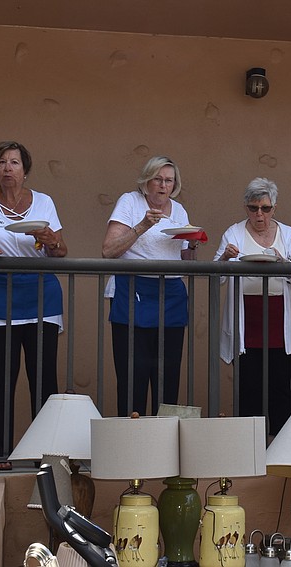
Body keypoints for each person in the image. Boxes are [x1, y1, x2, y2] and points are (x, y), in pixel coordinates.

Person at [0, 141, 68, 470]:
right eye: (2, 163)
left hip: (40, 296)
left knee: (43, 378)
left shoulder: (44, 202)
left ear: (25, 169)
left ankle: (46, 452)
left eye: (15, 162)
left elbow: (60, 251)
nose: (8, 168)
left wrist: (52, 242)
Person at [102, 156, 200, 417]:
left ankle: (164, 446)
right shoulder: (130, 202)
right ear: (146, 180)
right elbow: (109, 250)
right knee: (133, 373)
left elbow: (184, 260)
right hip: (132, 290)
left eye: (169, 180)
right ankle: (132, 446)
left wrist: (192, 244)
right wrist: (144, 225)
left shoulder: (179, 211)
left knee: (168, 374)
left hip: (171, 294)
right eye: (158, 179)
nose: (163, 185)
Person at [214, 178, 291, 435]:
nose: (260, 214)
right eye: (254, 208)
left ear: (274, 208)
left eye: (265, 208)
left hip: (280, 321)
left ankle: (280, 448)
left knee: (281, 387)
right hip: (247, 322)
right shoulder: (233, 233)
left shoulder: (288, 234)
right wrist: (224, 258)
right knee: (249, 388)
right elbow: (217, 277)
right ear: (245, 207)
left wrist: (284, 263)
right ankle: (251, 449)